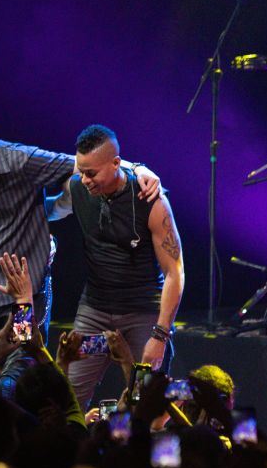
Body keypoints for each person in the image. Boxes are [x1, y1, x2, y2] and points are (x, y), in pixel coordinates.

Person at [0, 124, 161, 350]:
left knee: (21, 362)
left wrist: (138, 168)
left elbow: (82, 165)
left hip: (24, 297)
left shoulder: (20, 160)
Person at [45, 124, 183, 407]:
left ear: (117, 164)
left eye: (91, 173)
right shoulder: (79, 188)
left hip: (142, 312)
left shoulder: (150, 199)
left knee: (145, 402)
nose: (84, 180)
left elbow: (175, 272)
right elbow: (51, 208)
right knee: (68, 398)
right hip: (95, 310)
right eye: (81, 172)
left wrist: (160, 335)